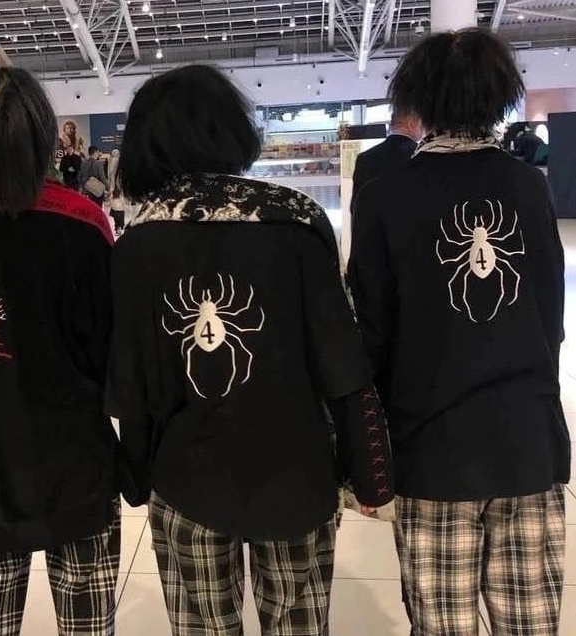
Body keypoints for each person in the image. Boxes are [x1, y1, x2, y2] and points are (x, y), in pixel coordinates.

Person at [107, 64, 395, 636]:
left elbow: (135, 384)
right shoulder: (299, 220)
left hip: (187, 479)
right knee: (298, 623)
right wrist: (370, 472)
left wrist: (134, 476)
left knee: (202, 625)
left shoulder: (139, 241)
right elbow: (341, 363)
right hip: (296, 475)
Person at [348, 29, 568, 636]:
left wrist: (364, 455)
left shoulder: (385, 197)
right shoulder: (530, 187)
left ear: (418, 100)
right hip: (528, 443)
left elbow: (369, 336)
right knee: (529, 621)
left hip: (432, 450)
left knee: (443, 622)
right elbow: (551, 317)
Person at [0, 66, 124, 636]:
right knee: (87, 624)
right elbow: (105, 346)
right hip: (76, 458)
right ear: (43, 138)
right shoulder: (83, 222)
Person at [351, 110, 423, 207]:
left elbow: (355, 206)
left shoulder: (364, 158)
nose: (423, 130)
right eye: (421, 125)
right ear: (411, 123)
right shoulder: (421, 156)